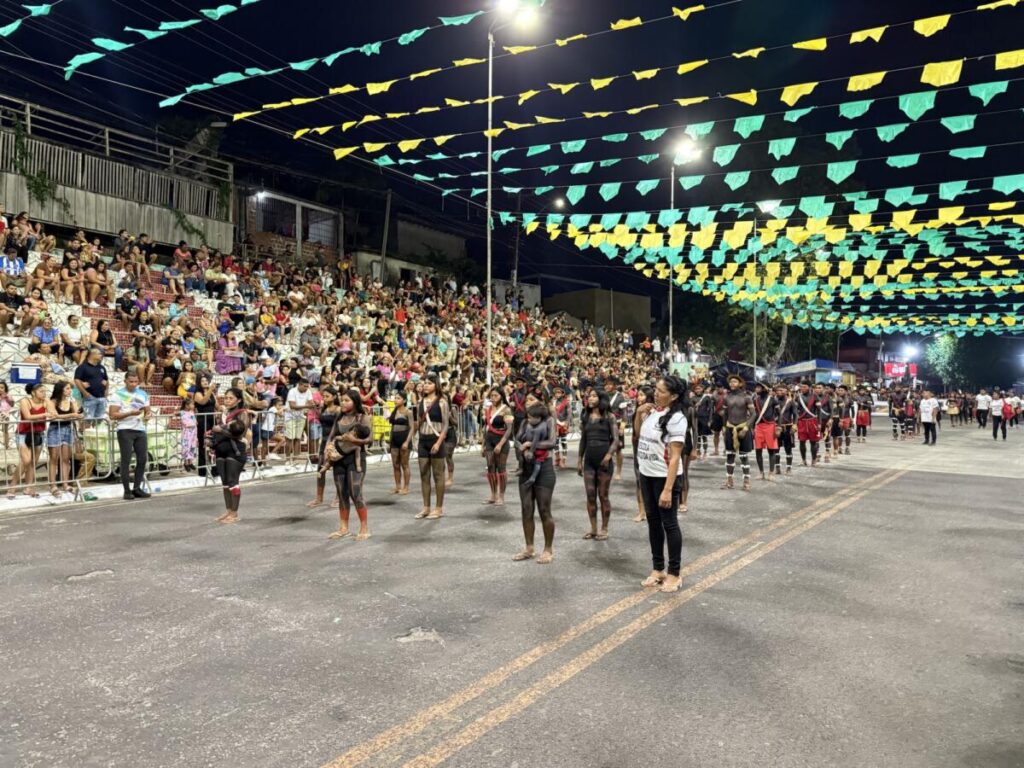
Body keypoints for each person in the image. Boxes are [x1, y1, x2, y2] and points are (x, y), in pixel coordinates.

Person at [636, 376, 688, 593]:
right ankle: (658, 569)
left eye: (661, 391)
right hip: (646, 474)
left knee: (670, 524)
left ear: (673, 396)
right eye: (655, 389)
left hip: (664, 477)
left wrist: (667, 489)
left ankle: (674, 573)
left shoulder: (677, 419)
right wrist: (639, 414)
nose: (655, 394)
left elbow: (675, 458)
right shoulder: (652, 412)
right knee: (653, 523)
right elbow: (639, 436)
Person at [325, 388, 373, 540]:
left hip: (356, 458)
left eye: (347, 400)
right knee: (341, 493)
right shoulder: (339, 416)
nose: (343, 403)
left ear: (355, 402)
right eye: (342, 400)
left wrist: (355, 440)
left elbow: (370, 439)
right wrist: (327, 448)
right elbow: (331, 435)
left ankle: (364, 528)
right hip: (339, 458)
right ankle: (343, 528)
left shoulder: (363, 417)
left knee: (355, 493)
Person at [513, 400, 557, 564]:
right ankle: (529, 548)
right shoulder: (525, 422)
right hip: (526, 468)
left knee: (544, 510)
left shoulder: (549, 421)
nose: (529, 419)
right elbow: (516, 441)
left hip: (544, 469)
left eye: (532, 417)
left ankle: (548, 549)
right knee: (526, 509)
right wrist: (523, 450)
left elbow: (552, 442)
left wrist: (531, 444)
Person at [577, 390, 618, 541]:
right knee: (590, 495)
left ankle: (604, 528)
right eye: (589, 396)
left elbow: (616, 440)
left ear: (601, 399)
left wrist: (608, 456)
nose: (590, 398)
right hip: (589, 461)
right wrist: (579, 460)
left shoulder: (609, 417)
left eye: (594, 396)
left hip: (604, 462)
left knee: (603, 495)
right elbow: (583, 439)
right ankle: (593, 529)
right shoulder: (586, 416)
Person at [209, 387, 250, 524]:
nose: (227, 400)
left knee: (233, 482)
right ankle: (228, 510)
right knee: (225, 483)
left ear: (238, 400)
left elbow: (240, 434)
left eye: (231, 398)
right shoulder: (224, 413)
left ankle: (234, 513)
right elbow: (217, 431)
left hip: (235, 451)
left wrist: (220, 430)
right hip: (221, 449)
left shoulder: (242, 413)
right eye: (226, 398)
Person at [109, 371, 151, 501]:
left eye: (136, 382)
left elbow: (147, 411)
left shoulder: (143, 393)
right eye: (131, 382)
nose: (133, 384)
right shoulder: (118, 394)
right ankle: (127, 491)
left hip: (140, 429)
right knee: (126, 460)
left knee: (142, 459)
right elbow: (113, 415)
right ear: (125, 381)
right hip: (125, 429)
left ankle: (137, 488)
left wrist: (148, 416)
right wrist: (130, 413)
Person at [413, 374, 449, 520]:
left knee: (438, 475)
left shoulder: (442, 402)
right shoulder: (420, 402)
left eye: (429, 383)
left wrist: (438, 443)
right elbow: (418, 422)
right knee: (424, 474)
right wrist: (414, 439)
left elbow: (445, 425)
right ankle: (426, 507)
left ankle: (438, 508)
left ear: (436, 385)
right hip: (423, 440)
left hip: (436, 439)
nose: (426, 385)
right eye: (425, 383)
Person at [306, 386, 341, 508]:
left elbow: (337, 427)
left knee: (337, 471)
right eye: (323, 396)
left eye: (327, 396)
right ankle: (319, 498)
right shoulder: (324, 408)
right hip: (324, 441)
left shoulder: (338, 409)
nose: (324, 398)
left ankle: (338, 497)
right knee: (320, 470)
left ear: (334, 397)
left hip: (335, 442)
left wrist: (331, 443)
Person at [11, 383, 48, 499]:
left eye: (45, 391)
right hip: (23, 433)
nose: (44, 393)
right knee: (26, 461)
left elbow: (54, 413)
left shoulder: (46, 401)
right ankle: (12, 487)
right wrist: (46, 414)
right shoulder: (25, 401)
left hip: (38, 433)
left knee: (33, 462)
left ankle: (28, 488)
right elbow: (27, 416)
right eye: (41, 391)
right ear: (33, 392)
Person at [45, 381, 81, 498]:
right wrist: (70, 416)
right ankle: (53, 485)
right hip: (55, 430)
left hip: (68, 429)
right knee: (54, 459)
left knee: (66, 459)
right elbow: (54, 417)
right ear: (60, 389)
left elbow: (77, 414)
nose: (70, 391)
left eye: (70, 389)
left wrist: (74, 415)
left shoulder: (72, 402)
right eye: (67, 388)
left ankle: (65, 484)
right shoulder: (52, 402)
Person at [720, 374, 754, 490]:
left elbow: (753, 414)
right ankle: (729, 480)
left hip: (743, 428)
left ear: (740, 384)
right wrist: (724, 428)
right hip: (730, 428)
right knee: (730, 455)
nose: (732, 384)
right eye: (731, 382)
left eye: (734, 382)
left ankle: (746, 481)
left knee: (744, 456)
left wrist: (746, 428)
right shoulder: (727, 397)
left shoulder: (747, 397)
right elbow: (725, 414)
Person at [481, 387, 512, 506]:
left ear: (501, 396)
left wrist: (500, 444)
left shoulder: (506, 410)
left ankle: (501, 496)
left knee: (501, 468)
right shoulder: (488, 409)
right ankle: (493, 495)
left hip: (501, 440)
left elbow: (509, 430)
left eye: (496, 396)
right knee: (490, 467)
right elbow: (486, 428)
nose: (493, 398)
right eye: (492, 396)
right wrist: (483, 444)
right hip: (489, 440)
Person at [631, 385, 655, 522]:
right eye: (638, 395)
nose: (639, 398)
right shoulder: (638, 410)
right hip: (639, 449)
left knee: (653, 481)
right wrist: (638, 413)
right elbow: (637, 432)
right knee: (639, 481)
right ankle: (641, 511)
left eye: (641, 395)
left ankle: (653, 510)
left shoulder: (655, 411)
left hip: (653, 450)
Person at [752, 382, 780, 481]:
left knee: (771, 450)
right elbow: (754, 415)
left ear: (764, 388)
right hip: (758, 427)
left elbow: (779, 414)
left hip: (770, 427)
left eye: (758, 387)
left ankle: (771, 473)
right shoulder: (755, 400)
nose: (756, 389)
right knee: (758, 450)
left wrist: (778, 427)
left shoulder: (773, 400)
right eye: (756, 387)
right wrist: (752, 428)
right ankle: (761, 473)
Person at [74, 347, 109, 423]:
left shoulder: (102, 367)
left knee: (99, 421)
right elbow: (77, 380)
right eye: (99, 354)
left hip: (102, 398)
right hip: (89, 398)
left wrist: (106, 391)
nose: (101, 355)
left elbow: (106, 380)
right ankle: (83, 430)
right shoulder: (82, 367)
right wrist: (85, 393)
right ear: (92, 355)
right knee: (87, 421)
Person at [284, 378, 314, 465]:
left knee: (298, 438)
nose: (306, 388)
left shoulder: (308, 391)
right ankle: (287, 459)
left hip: (301, 416)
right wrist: (306, 406)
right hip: (290, 417)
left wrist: (308, 405)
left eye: (307, 386)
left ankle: (295, 459)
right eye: (305, 386)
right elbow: (292, 406)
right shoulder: (292, 391)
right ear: (299, 385)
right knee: (290, 438)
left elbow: (311, 403)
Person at [388, 392, 412, 495]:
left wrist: (407, 442)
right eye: (395, 398)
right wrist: (390, 440)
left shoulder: (408, 412)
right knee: (395, 464)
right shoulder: (394, 411)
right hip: (394, 439)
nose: (395, 400)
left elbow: (412, 428)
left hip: (404, 439)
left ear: (404, 400)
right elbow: (392, 427)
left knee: (404, 464)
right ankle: (398, 486)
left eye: (398, 398)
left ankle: (406, 487)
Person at [795, 381, 820, 466]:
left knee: (813, 442)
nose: (802, 388)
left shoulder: (815, 396)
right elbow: (795, 411)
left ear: (809, 387)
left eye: (805, 387)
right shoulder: (798, 397)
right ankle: (803, 460)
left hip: (812, 421)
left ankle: (813, 460)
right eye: (801, 387)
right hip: (801, 422)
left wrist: (819, 423)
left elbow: (819, 411)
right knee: (802, 442)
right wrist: (795, 422)